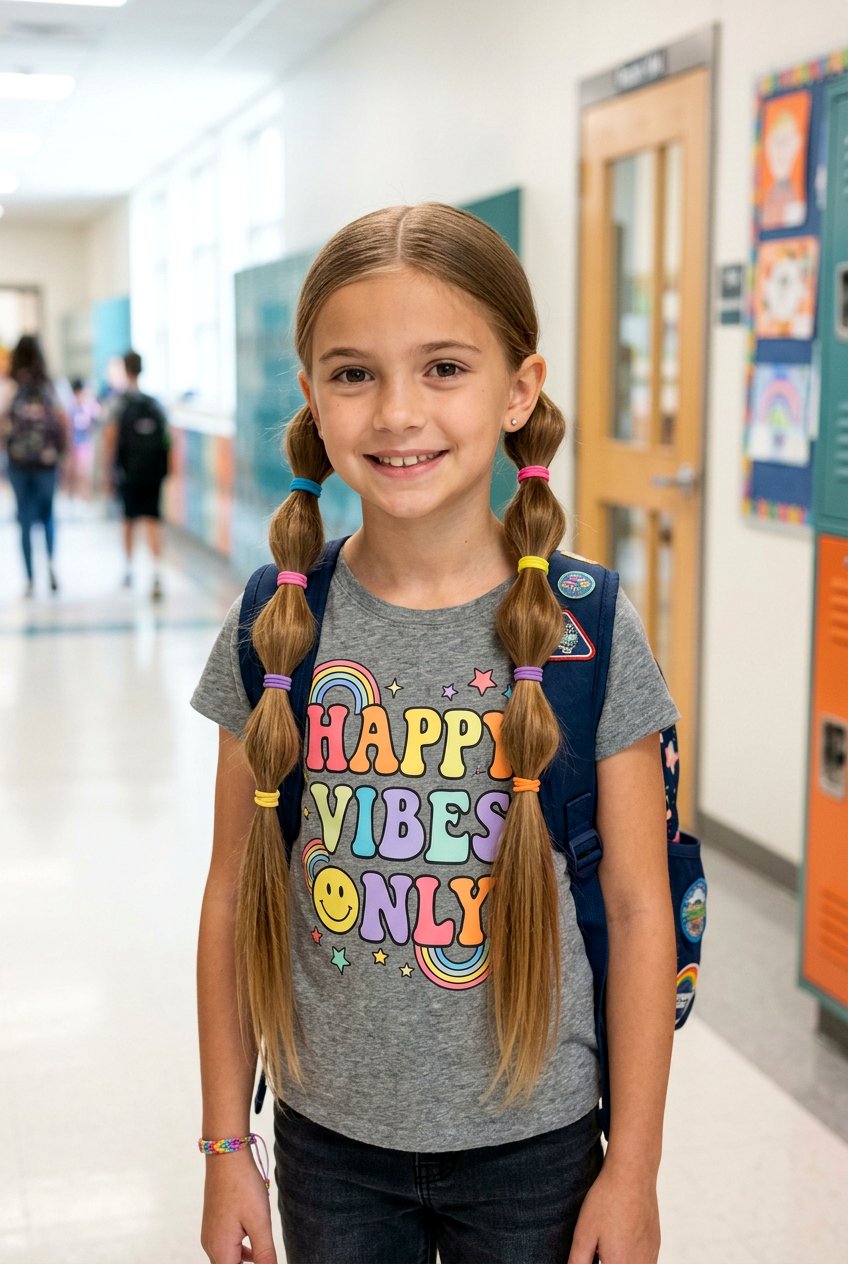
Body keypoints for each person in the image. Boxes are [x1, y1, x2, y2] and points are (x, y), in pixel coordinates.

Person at [191, 203, 679, 1264]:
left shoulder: (586, 626)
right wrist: (228, 1140)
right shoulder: (280, 624)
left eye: (444, 367)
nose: (396, 413)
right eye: (353, 373)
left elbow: (641, 910)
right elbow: (234, 893)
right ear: (312, 399)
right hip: (328, 1145)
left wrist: (631, 1167)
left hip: (537, 1152)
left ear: (518, 389)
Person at [2, 334, 68, 597]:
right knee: (49, 514)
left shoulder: (9, 386)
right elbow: (64, 422)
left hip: (18, 463)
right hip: (47, 463)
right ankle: (51, 564)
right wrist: (66, 456)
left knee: (24, 519)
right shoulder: (51, 385)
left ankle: (30, 578)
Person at [104, 350, 170, 600]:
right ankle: (156, 572)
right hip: (152, 473)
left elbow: (111, 438)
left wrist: (109, 470)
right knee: (153, 519)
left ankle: (129, 569)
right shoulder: (155, 403)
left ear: (125, 369)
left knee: (128, 519)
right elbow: (167, 439)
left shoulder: (118, 403)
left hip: (129, 472)